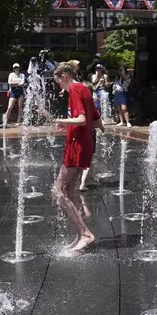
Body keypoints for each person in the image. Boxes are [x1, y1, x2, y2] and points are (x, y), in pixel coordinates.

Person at [52, 62, 104, 251]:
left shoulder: (74, 89)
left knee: (58, 191)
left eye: (59, 83)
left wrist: (60, 120)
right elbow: (96, 121)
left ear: (64, 77)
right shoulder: (84, 88)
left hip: (76, 145)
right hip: (86, 144)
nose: (60, 88)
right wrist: (69, 125)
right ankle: (79, 235)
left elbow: (81, 120)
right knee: (69, 191)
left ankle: (85, 233)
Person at [4, 63, 25, 127]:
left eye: (17, 67)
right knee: (10, 107)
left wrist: (15, 84)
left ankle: (18, 121)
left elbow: (22, 83)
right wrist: (18, 83)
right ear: (13, 69)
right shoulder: (11, 74)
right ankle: (5, 121)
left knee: (20, 107)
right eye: (15, 68)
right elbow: (9, 83)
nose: (16, 69)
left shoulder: (22, 75)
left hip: (20, 91)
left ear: (19, 68)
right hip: (13, 91)